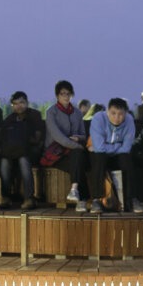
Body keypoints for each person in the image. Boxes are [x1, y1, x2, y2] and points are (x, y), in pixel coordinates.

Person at [86, 97, 142, 213]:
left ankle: (132, 199)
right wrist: (118, 146)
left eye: (121, 114)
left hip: (119, 156)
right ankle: (96, 199)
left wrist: (111, 146)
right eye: (113, 113)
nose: (117, 117)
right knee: (98, 158)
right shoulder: (98, 119)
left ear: (126, 113)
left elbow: (126, 148)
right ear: (107, 111)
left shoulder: (129, 120)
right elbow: (99, 148)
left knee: (127, 159)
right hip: (101, 155)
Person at [44, 79, 89, 212]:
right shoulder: (51, 112)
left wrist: (77, 138)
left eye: (68, 93)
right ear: (57, 95)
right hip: (56, 154)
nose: (65, 96)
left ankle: (74, 190)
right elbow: (58, 137)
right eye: (62, 93)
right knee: (79, 160)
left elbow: (83, 135)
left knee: (77, 159)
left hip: (73, 153)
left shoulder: (77, 113)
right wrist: (78, 146)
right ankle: (82, 200)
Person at [0, 91, 44, 210]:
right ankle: (5, 197)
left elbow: (37, 138)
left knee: (23, 159)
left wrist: (23, 139)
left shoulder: (35, 115)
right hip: (12, 151)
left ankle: (29, 198)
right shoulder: (9, 119)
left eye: (22, 102)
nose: (19, 106)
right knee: (4, 161)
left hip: (31, 150)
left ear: (27, 103)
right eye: (15, 103)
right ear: (12, 105)